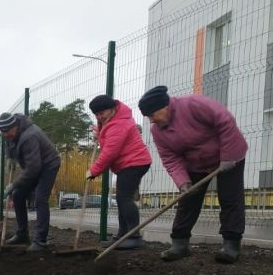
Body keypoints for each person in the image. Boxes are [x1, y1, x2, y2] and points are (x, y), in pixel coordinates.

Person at [138, 85, 248, 263]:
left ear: (164, 107)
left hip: (229, 155)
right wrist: (183, 183)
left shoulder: (194, 104)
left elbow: (225, 121)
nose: (151, 121)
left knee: (230, 198)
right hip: (196, 163)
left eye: (152, 115)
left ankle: (231, 245)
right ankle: (179, 244)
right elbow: (170, 158)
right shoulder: (158, 131)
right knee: (188, 201)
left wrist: (228, 157)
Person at [87, 95, 152, 250]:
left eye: (101, 113)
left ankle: (134, 236)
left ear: (112, 108)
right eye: (96, 114)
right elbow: (108, 134)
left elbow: (110, 152)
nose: (99, 117)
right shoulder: (111, 121)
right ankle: (122, 235)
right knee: (122, 198)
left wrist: (93, 170)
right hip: (128, 164)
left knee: (124, 197)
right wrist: (99, 131)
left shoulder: (120, 124)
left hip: (135, 162)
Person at [0, 112, 61, 252]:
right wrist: (10, 160)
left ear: (15, 126)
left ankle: (40, 241)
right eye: (3, 133)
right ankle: (22, 234)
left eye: (7, 132)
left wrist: (14, 184)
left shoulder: (29, 136)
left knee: (40, 199)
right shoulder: (10, 133)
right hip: (34, 165)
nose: (6, 135)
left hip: (48, 165)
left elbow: (33, 169)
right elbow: (9, 145)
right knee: (18, 195)